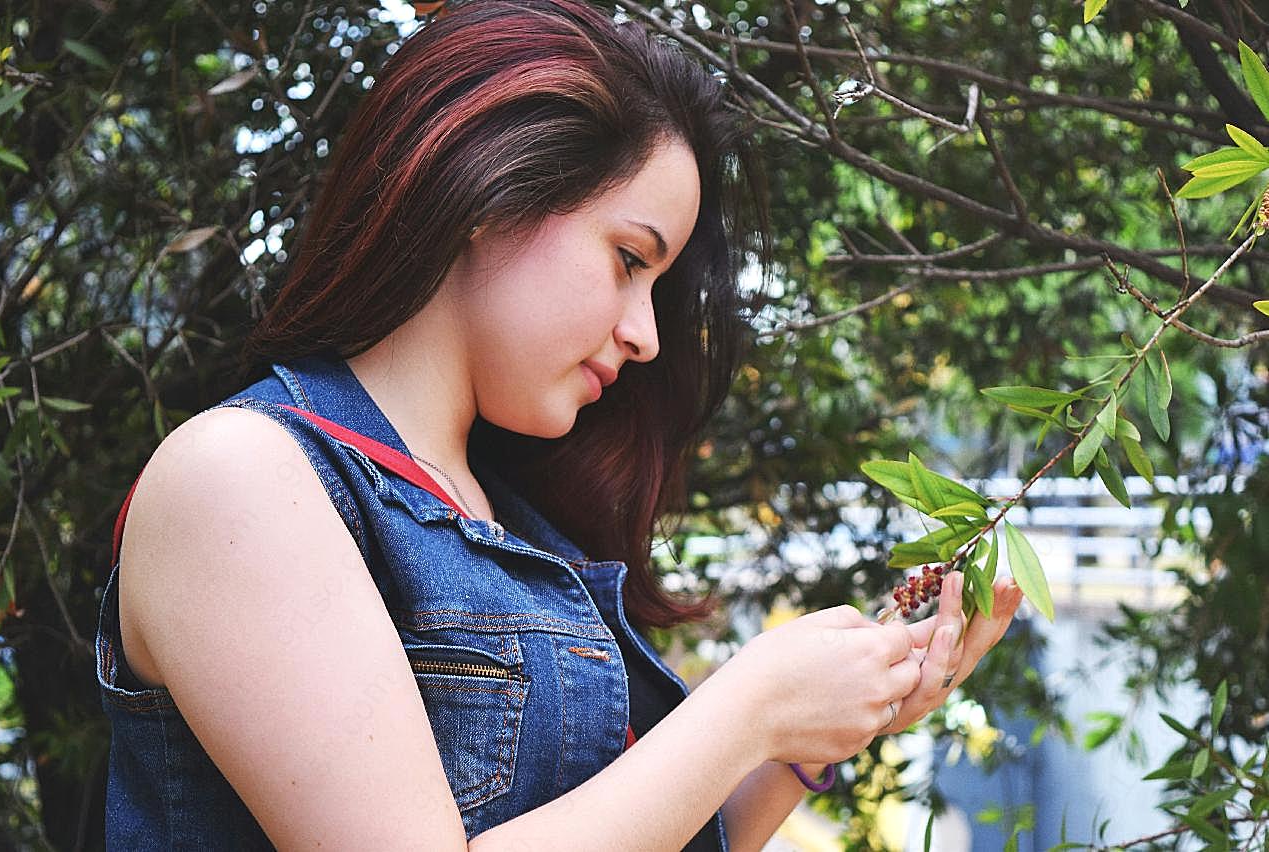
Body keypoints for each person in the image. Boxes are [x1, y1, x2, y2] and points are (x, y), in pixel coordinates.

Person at [95, 1, 1023, 848]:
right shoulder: (240, 479)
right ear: (491, 193)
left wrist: (827, 718)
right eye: (627, 259)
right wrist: (748, 706)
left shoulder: (512, 519)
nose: (646, 334)